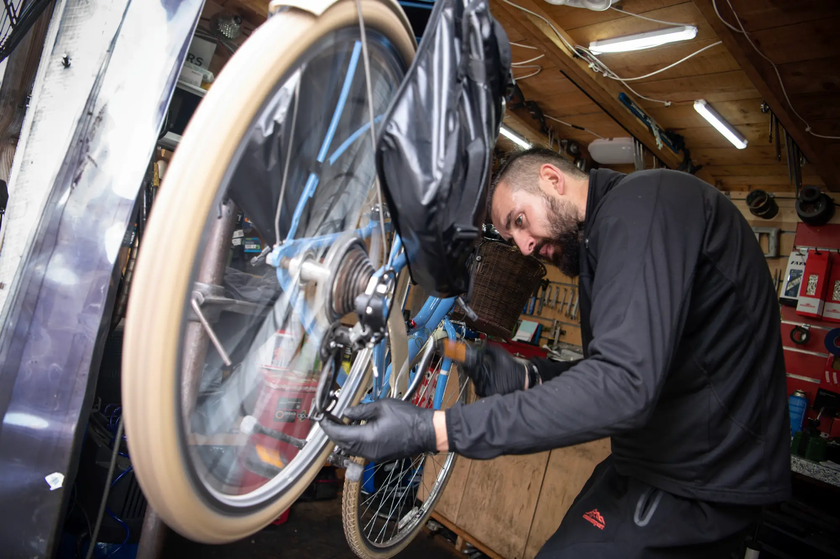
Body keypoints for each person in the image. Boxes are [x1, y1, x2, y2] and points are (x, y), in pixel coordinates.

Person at [321, 148, 791, 558]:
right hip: (653, 465)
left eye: (519, 221)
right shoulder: (608, 238)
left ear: (551, 178)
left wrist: (433, 429)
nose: (523, 247)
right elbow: (634, 366)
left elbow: (623, 387)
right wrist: (530, 375)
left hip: (697, 483)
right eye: (511, 237)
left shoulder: (644, 204)